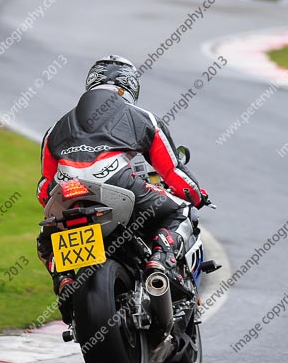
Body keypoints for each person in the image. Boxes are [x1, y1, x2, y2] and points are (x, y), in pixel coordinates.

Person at [35, 55, 209, 322]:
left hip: (67, 193)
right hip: (117, 185)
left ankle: (64, 278)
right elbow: (172, 171)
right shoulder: (143, 118)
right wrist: (196, 195)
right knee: (182, 211)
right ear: (131, 86)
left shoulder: (55, 128)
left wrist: (62, 201)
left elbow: (45, 188)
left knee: (46, 238)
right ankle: (160, 260)